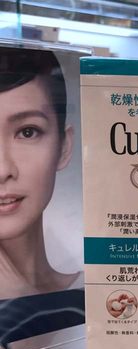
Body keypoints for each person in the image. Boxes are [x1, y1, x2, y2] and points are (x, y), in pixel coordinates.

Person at [0, 47, 80, 300]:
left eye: (27, 132)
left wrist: (20, 297)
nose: (3, 170)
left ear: (64, 147)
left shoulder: (101, 294)